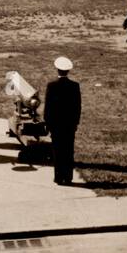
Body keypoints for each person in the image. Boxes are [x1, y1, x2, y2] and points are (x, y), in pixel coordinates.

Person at [44, 56, 81, 185]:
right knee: (68, 150)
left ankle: (58, 177)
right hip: (69, 125)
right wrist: (76, 123)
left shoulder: (52, 86)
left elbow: (48, 107)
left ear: (57, 70)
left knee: (57, 151)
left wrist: (48, 124)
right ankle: (68, 177)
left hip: (56, 125)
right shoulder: (75, 86)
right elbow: (77, 107)